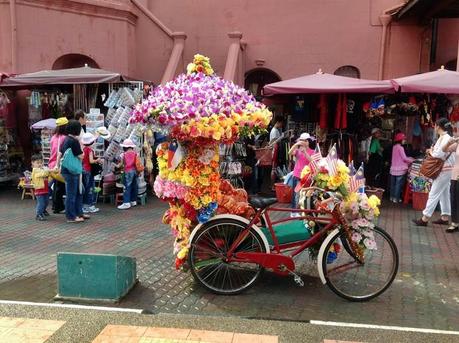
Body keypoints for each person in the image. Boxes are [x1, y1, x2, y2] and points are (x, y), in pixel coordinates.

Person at [413, 118, 455, 226]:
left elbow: (439, 155)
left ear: (438, 126)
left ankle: (425, 218)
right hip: (446, 169)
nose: (434, 128)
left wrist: (430, 151)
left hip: (442, 169)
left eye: (435, 126)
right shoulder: (446, 138)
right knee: (444, 193)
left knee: (434, 193)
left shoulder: (445, 138)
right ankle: (445, 216)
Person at [59, 120, 88, 223]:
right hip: (73, 171)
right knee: (72, 194)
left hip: (67, 170)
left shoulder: (65, 139)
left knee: (79, 191)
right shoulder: (73, 141)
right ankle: (71, 216)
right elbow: (80, 155)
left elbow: (61, 152)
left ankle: (78, 212)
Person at [288, 133, 315, 211]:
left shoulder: (312, 151)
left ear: (308, 141)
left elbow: (312, 161)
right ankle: (294, 211)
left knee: (305, 195)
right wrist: (296, 145)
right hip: (297, 175)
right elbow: (289, 153)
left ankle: (303, 211)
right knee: (295, 194)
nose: (302, 142)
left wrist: (305, 152)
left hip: (307, 177)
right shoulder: (297, 150)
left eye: (304, 141)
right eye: (301, 140)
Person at [49, 117, 68, 214]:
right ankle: (58, 207)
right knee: (59, 187)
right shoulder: (64, 138)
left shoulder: (53, 137)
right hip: (59, 165)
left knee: (56, 186)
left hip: (52, 164)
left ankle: (55, 205)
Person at [389, 133, 414, 203]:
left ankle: (391, 197)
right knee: (398, 185)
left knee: (393, 184)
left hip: (393, 169)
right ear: (400, 140)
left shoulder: (394, 147)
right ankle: (396, 199)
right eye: (403, 139)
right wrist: (412, 160)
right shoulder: (401, 148)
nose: (404, 141)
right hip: (400, 169)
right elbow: (404, 158)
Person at [442, 135, 459, 232]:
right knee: (454, 199)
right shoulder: (457, 144)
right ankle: (454, 223)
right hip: (455, 175)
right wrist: (450, 141)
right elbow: (444, 149)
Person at [81, 132, 101, 214]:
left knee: (85, 188)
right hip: (88, 170)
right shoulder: (89, 150)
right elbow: (91, 161)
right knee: (90, 188)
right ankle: (89, 205)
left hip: (83, 169)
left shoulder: (83, 149)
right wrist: (98, 160)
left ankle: (84, 206)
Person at [117, 138, 139, 210]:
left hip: (127, 172)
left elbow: (120, 164)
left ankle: (126, 202)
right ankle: (133, 201)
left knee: (127, 187)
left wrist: (116, 166)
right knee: (134, 186)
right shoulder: (136, 154)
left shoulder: (123, 155)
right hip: (134, 171)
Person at [31, 155, 50, 221]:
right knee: (41, 203)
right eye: (38, 163)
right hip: (39, 190)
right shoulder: (35, 170)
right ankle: (38, 214)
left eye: (41, 162)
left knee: (46, 202)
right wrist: (47, 170)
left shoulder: (42, 169)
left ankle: (43, 210)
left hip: (45, 189)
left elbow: (47, 173)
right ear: (33, 163)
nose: (40, 164)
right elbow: (43, 174)